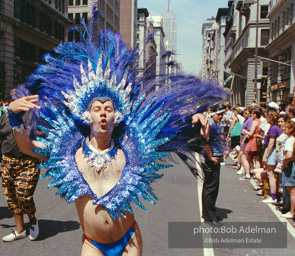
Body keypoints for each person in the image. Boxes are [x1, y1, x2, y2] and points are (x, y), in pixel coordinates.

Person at [6, 6, 228, 255]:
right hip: (93, 244)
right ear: (86, 115)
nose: (102, 112)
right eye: (97, 107)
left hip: (128, 239)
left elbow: (169, 128)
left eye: (108, 108)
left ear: (117, 116)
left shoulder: (133, 148)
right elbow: (26, 147)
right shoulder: (67, 152)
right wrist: (13, 115)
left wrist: (192, 118)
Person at [0, 99, 41, 242]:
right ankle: (20, 231)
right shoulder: (4, 116)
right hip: (7, 161)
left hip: (28, 162)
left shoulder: (34, 115)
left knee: (24, 196)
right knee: (11, 196)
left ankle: (33, 221)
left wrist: (32, 131)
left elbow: (46, 133)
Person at [201, 107, 225, 225]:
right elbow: (205, 142)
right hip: (211, 159)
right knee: (210, 187)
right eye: (218, 114)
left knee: (212, 186)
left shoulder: (213, 123)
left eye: (222, 115)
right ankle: (209, 215)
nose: (220, 117)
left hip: (215, 158)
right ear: (212, 113)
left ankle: (210, 212)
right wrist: (210, 157)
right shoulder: (208, 123)